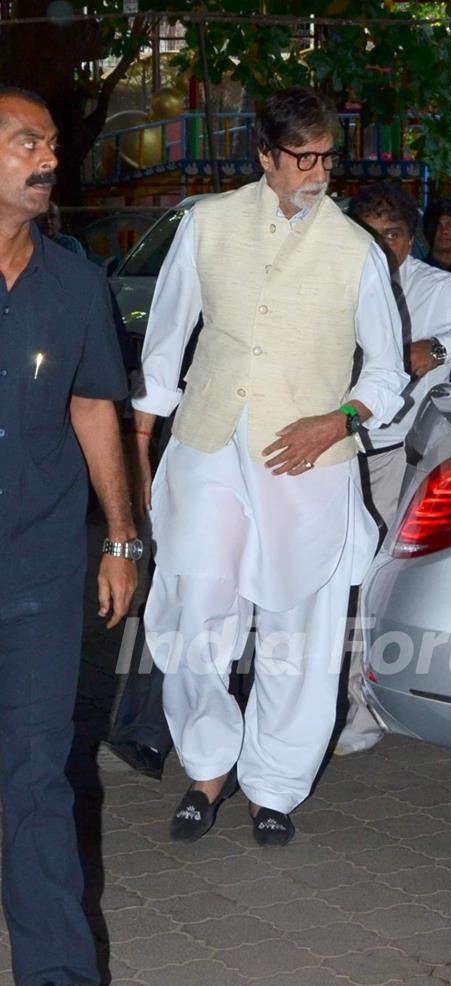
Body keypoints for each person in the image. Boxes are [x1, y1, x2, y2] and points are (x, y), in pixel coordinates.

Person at [130, 86, 407, 847]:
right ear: (265, 154)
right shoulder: (207, 223)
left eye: (327, 157)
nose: (318, 172)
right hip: (210, 442)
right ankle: (207, 768)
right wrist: (147, 424)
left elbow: (386, 371)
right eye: (303, 157)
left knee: (299, 627)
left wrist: (339, 418)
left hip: (305, 463)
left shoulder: (355, 249)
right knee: (195, 609)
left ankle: (275, 786)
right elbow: (168, 331)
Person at [0, 86, 138, 986]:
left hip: (41, 572)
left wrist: (122, 540)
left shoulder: (76, 283)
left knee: (37, 780)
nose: (48, 158)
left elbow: (95, 410)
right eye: (25, 143)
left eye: (50, 143)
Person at [335, 181, 451, 755]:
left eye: (391, 235)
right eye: (367, 234)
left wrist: (435, 349)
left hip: (388, 455)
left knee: (368, 587)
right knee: (318, 585)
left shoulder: (434, 288)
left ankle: (363, 709)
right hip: (323, 453)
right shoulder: (331, 279)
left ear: (410, 239)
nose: (380, 247)